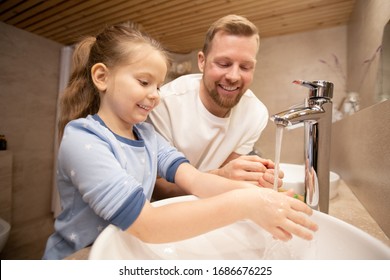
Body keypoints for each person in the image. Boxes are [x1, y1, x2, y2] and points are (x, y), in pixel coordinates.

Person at [42, 22, 317, 260]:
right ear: (102, 77)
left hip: (123, 246)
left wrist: (262, 196)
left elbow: (196, 181)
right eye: (144, 81)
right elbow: (148, 224)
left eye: (158, 86)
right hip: (78, 258)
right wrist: (245, 204)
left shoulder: (148, 136)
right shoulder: (84, 138)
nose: (154, 95)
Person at [148, 15, 279, 200]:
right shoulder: (164, 104)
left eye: (245, 67)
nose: (234, 76)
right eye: (223, 64)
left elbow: (229, 176)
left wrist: (257, 179)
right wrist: (222, 177)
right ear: (202, 61)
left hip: (213, 206)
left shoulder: (256, 114)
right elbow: (158, 189)